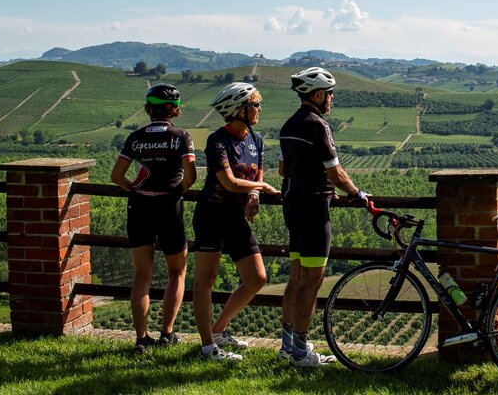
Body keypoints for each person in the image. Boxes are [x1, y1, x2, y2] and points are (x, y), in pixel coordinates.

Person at [278, 67, 369, 367]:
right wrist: (357, 194)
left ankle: (288, 344)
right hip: (315, 210)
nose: (331, 99)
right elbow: (335, 171)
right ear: (317, 95)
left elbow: (282, 170)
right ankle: (302, 353)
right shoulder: (318, 126)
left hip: (291, 205)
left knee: (296, 277)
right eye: (329, 94)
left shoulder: (288, 125)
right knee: (312, 281)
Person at [192, 82, 280, 362]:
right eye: (254, 105)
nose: (259, 109)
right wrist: (262, 188)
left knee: (256, 278)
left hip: (235, 217)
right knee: (205, 280)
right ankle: (207, 347)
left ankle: (218, 330)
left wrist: (254, 192)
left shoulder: (256, 140)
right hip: (211, 215)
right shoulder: (217, 140)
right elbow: (228, 182)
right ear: (238, 110)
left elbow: (254, 177)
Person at [109, 83, 196, 355]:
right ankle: (167, 333)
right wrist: (174, 191)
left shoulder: (135, 137)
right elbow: (191, 176)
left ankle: (140, 339)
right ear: (172, 108)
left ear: (149, 108)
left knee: (142, 275)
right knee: (176, 272)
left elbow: (116, 176)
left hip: (139, 206)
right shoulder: (182, 136)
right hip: (169, 206)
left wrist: (135, 189)